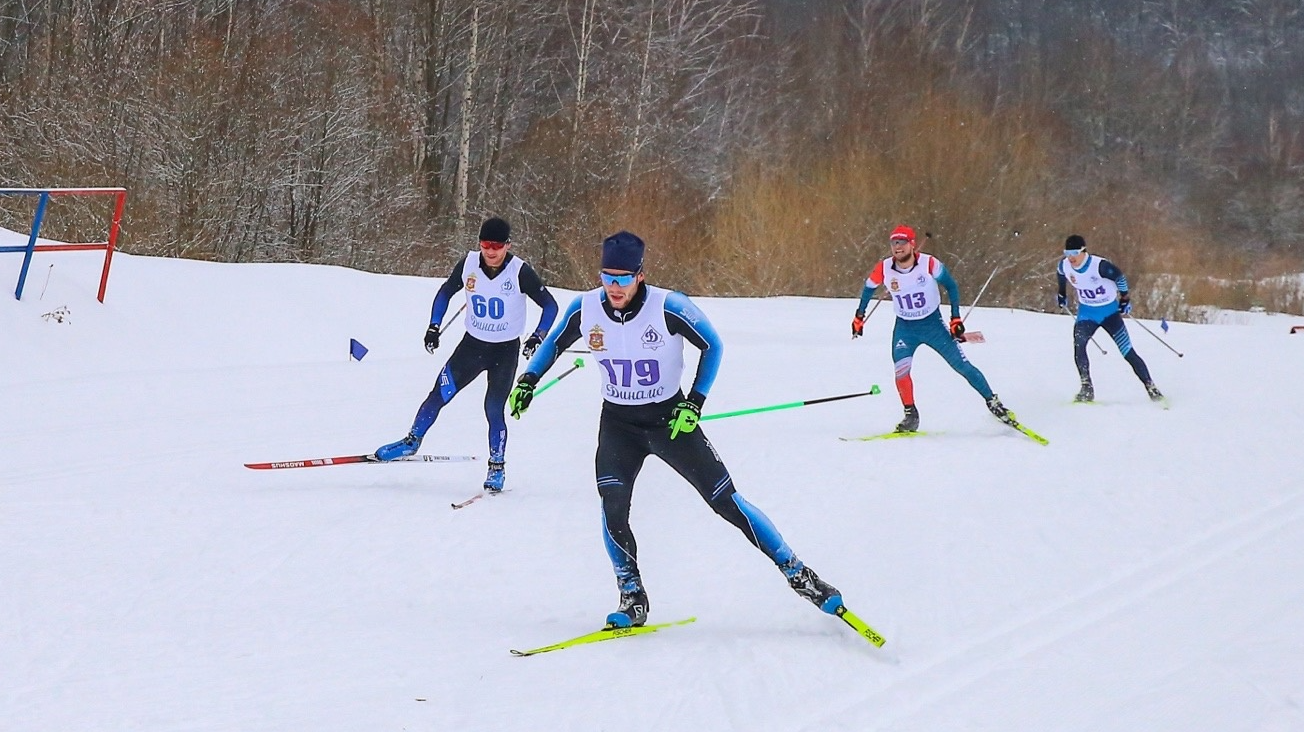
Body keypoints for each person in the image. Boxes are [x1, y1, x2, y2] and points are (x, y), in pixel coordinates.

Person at [508, 230, 850, 631]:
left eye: (623, 277)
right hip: (618, 424)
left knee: (726, 502)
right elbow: (553, 344)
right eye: (607, 276)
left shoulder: (668, 306)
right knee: (613, 507)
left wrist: (695, 401)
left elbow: (713, 346)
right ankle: (631, 595)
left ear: (640, 274)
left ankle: (799, 574)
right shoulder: (585, 308)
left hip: (670, 420)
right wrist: (529, 379)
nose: (614, 286)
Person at [374, 217, 557, 493]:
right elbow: (446, 291)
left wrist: (537, 336)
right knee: (439, 393)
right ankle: (411, 441)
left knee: (493, 409)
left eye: (496, 245)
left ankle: (497, 466)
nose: (491, 251)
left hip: (504, 351)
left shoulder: (520, 272)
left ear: (507, 245)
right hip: (472, 347)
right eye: (485, 244)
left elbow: (550, 306)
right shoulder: (469, 264)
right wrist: (434, 326)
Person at [851, 224, 1016, 434]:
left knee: (962, 366)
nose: (897, 247)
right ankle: (911, 415)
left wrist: (955, 318)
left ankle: (993, 403)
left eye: (902, 242)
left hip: (932, 325)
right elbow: (868, 289)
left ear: (912, 244)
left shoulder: (929, 264)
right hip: (905, 328)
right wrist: (859, 316)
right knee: (901, 371)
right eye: (894, 243)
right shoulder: (884, 268)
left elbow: (951, 285)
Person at [1056, 234, 1162, 404]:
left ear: (1083, 251)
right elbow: (1060, 274)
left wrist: (1125, 298)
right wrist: (1061, 293)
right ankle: (1086, 388)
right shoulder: (1065, 265)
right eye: (1067, 253)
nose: (1071, 258)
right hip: (1087, 314)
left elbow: (1119, 277)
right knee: (1079, 345)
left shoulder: (1099, 266)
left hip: (1110, 313)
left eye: (1074, 253)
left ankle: (1151, 387)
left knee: (1127, 352)